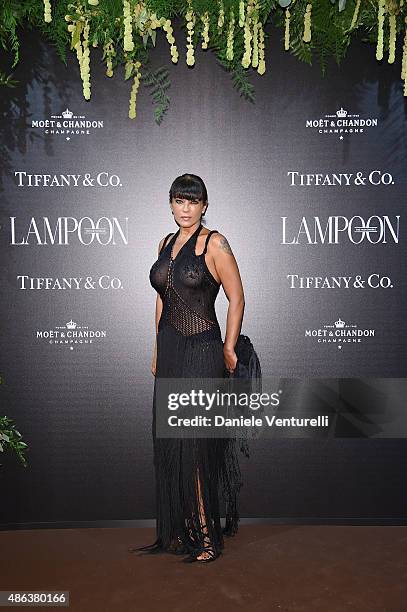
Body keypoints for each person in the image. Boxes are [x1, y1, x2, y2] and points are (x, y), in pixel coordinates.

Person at [133, 173, 246, 563]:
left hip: (202, 349)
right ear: (170, 204)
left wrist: (229, 347)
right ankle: (181, 530)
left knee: (194, 444)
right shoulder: (165, 243)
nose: (185, 209)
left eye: (192, 202)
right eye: (179, 201)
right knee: (171, 442)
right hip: (170, 348)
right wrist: (156, 348)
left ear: (204, 206)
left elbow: (237, 298)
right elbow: (163, 299)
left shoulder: (214, 243)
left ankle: (206, 535)